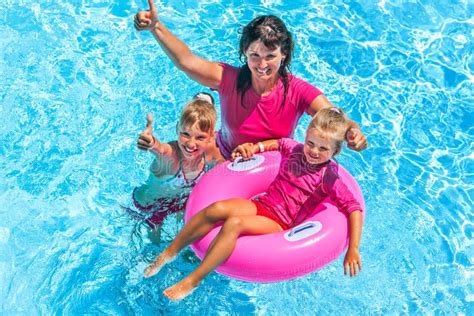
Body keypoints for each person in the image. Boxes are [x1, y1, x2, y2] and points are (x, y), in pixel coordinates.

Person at [143, 108, 364, 300]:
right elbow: (276, 144)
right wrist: (252, 148)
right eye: (311, 143)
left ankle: (195, 279)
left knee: (235, 223)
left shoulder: (330, 176)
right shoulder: (293, 148)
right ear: (305, 137)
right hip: (263, 204)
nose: (314, 152)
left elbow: (354, 208)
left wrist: (353, 248)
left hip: (281, 223)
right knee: (216, 209)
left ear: (335, 152)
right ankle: (168, 253)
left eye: (323, 149)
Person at [134, 0, 368, 159]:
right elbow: (186, 61)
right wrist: (157, 27)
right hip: (225, 158)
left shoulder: (298, 91)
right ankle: (205, 101)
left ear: (283, 54)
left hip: (271, 165)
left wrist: (353, 132)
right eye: (254, 55)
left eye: (270, 56)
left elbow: (334, 117)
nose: (262, 65)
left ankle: (205, 99)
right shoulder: (229, 78)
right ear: (245, 51)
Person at [131, 93, 223, 240]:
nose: (191, 144)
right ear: (177, 129)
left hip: (179, 201)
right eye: (185, 134)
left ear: (211, 136)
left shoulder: (212, 154)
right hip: (150, 206)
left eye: (200, 137)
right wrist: (150, 142)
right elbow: (160, 149)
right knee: (153, 243)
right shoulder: (172, 156)